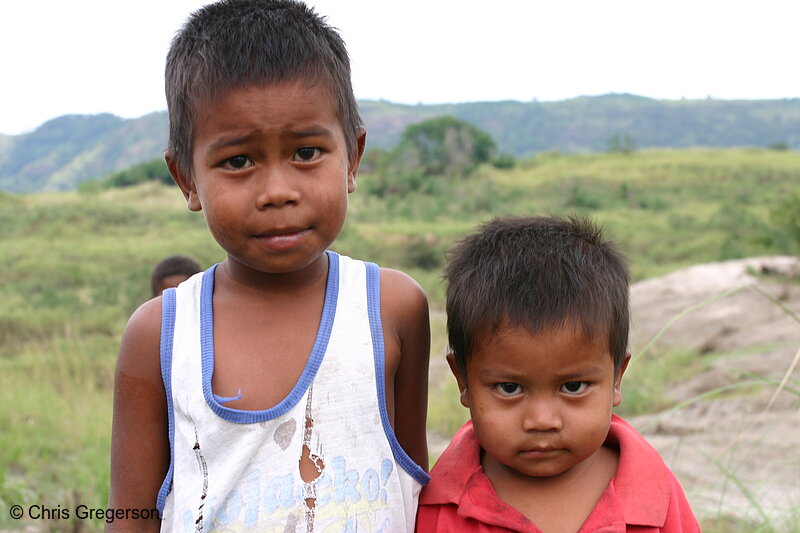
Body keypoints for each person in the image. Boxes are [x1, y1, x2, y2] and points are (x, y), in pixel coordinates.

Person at [107, 1, 430, 531]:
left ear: (352, 157)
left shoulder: (391, 309)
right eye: (238, 161)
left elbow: (414, 494)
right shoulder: (159, 335)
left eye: (306, 152)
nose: (278, 191)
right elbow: (130, 518)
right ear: (185, 177)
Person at [417, 216, 700, 532]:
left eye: (574, 386)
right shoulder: (442, 506)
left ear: (617, 377)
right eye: (509, 388)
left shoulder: (654, 497)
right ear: (463, 380)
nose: (542, 420)